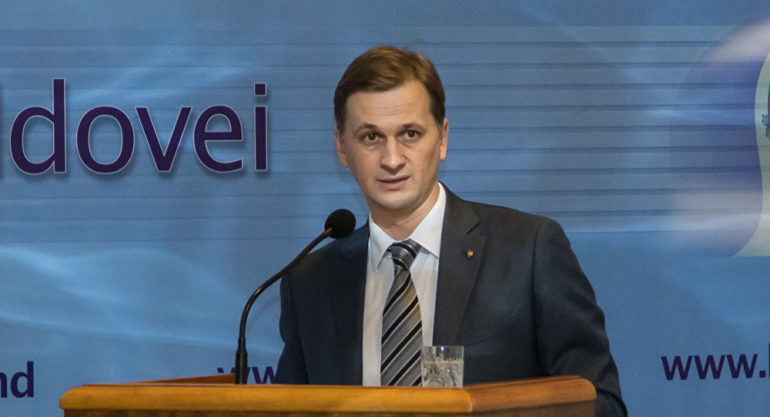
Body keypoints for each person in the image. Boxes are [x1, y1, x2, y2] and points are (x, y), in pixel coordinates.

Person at [275, 46, 627, 417]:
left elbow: (601, 404)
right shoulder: (309, 282)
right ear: (341, 146)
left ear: (442, 138)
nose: (391, 160)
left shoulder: (529, 251)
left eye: (410, 134)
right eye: (371, 137)